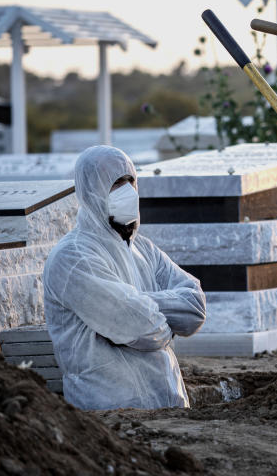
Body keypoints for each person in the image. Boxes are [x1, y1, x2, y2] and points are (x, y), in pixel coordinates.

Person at [43, 145, 206, 410]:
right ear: (92, 191)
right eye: (116, 183)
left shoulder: (144, 249)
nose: (128, 190)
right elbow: (140, 326)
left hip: (170, 407)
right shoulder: (73, 258)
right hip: (110, 416)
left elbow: (195, 307)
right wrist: (159, 319)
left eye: (131, 181)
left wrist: (140, 303)